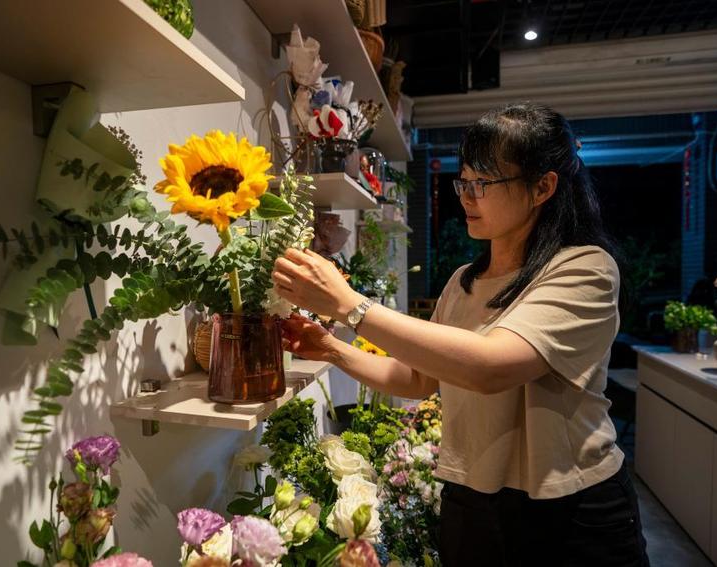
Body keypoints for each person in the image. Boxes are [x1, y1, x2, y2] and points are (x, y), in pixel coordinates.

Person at [271, 103, 650, 566]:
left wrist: (350, 305)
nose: (467, 197)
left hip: (571, 507)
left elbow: (492, 366)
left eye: (484, 184)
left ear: (543, 187)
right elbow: (415, 378)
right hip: (471, 499)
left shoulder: (584, 268)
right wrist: (330, 348)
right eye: (464, 182)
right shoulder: (463, 281)